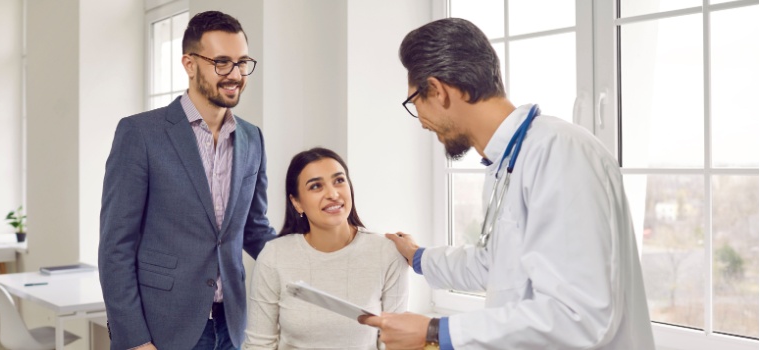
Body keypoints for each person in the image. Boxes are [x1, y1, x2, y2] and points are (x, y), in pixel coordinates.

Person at [358, 18, 655, 350]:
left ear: (438, 91)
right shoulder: (505, 165)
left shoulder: (557, 152)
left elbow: (579, 315)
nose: (421, 121)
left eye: (414, 101)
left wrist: (435, 331)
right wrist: (418, 258)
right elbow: (496, 265)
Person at [99, 11, 276, 350]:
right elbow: (115, 247)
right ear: (189, 64)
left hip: (232, 326)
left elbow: (254, 230)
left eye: (242, 62)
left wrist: (319, 253)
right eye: (222, 62)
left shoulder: (253, 138)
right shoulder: (139, 134)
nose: (235, 75)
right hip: (162, 328)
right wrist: (134, 339)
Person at [244, 147, 409, 349]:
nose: (332, 193)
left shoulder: (388, 253)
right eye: (315, 186)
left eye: (339, 181)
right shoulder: (274, 255)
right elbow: (259, 344)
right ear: (297, 203)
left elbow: (396, 343)